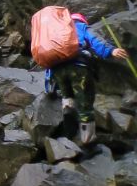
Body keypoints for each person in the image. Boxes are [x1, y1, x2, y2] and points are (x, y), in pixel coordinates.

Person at [45, 12, 130, 145]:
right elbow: (95, 40)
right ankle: (88, 140)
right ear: (82, 20)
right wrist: (111, 50)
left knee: (67, 94)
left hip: (58, 69)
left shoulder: (57, 31)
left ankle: (68, 112)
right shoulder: (80, 27)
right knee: (85, 102)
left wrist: (49, 76)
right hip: (78, 67)